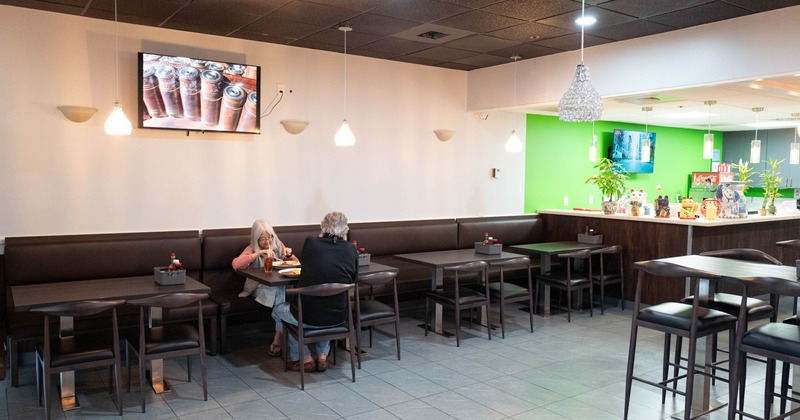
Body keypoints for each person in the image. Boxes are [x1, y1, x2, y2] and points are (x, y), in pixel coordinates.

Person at [272, 211, 358, 372]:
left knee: (279, 311)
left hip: (307, 316)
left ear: (323, 226)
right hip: (339, 317)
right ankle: (322, 356)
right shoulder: (351, 250)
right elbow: (354, 279)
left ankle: (304, 358)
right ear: (345, 229)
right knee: (327, 304)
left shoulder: (311, 243)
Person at [232, 219, 297, 357]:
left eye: (270, 237)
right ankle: (281, 338)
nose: (268, 242)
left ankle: (278, 337)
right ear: (256, 239)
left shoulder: (278, 245)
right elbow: (236, 264)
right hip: (258, 287)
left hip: (277, 287)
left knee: (283, 291)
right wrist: (257, 254)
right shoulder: (251, 249)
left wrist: (289, 255)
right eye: (263, 239)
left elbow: (297, 263)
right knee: (284, 293)